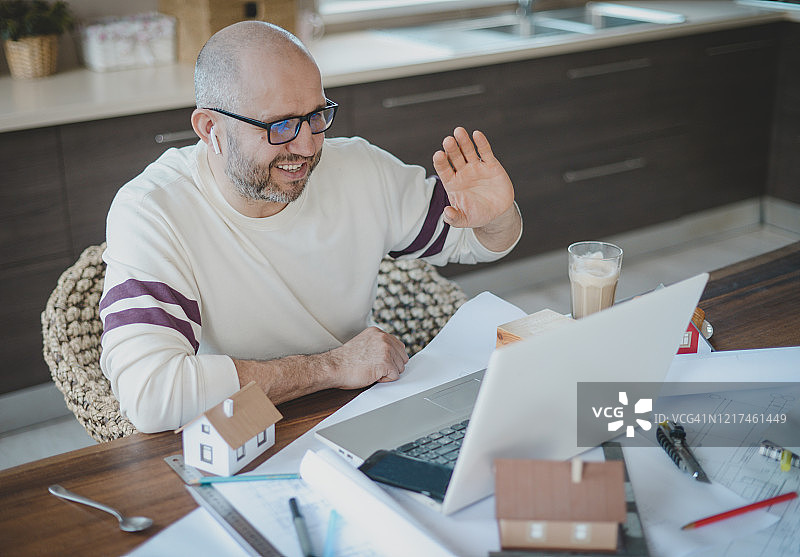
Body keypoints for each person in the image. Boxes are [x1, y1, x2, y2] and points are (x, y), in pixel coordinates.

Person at [99, 21, 522, 433]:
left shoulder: (358, 169)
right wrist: (333, 366)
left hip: (356, 410)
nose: (306, 147)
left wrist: (497, 215)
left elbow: (478, 242)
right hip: (234, 426)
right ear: (211, 129)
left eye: (316, 116)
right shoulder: (153, 210)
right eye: (279, 126)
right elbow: (151, 397)